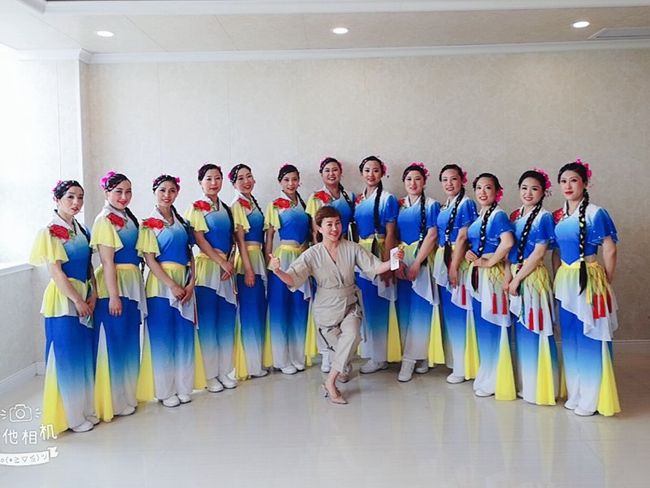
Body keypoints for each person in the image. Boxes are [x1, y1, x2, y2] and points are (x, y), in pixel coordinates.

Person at [269, 207, 404, 404]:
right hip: (326, 309)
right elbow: (293, 278)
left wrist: (393, 261)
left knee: (352, 335)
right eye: (329, 224)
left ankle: (330, 382)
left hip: (350, 303)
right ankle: (342, 367)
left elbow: (375, 267)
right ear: (319, 228)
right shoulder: (311, 254)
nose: (334, 229)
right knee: (340, 348)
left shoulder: (352, 248)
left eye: (337, 223)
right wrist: (278, 271)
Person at [29, 180, 97, 434]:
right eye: (70, 197)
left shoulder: (83, 229)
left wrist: (93, 293)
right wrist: (77, 300)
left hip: (84, 293)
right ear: (57, 199)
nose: (76, 202)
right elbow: (56, 272)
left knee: (83, 354)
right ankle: (70, 417)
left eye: (80, 197)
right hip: (63, 299)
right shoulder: (49, 232)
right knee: (66, 356)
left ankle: (83, 409)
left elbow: (89, 266)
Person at [553, 160, 620, 417]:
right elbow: (556, 252)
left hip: (588, 277)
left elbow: (610, 248)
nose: (568, 186)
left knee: (589, 336)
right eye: (563, 181)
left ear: (585, 183)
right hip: (565, 280)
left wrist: (606, 278)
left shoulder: (596, 212)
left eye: (573, 180)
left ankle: (592, 398)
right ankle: (576, 392)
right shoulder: (558, 215)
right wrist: (557, 277)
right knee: (570, 337)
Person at [136, 175, 197, 408]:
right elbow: (150, 259)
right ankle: (164, 390)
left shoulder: (182, 223)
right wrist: (172, 284)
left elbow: (190, 255)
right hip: (160, 286)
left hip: (184, 281)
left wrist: (191, 283)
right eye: (162, 190)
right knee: (162, 338)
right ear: (154, 192)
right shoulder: (148, 224)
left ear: (177, 193)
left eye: (172, 191)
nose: (167, 195)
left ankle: (183, 386)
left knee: (184, 335)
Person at [91, 172, 146, 421]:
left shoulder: (127, 218)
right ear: (107, 193)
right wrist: (113, 296)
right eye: (118, 192)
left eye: (128, 191)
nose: (124, 196)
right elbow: (106, 260)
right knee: (113, 344)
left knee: (128, 341)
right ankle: (113, 401)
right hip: (115, 286)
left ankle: (128, 394)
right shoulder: (104, 220)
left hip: (131, 284)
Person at [503, 169, 560, 405]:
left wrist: (517, 279)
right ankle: (525, 384)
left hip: (532, 277)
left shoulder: (544, 218)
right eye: (524, 188)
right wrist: (508, 275)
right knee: (521, 331)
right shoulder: (515, 215)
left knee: (536, 327)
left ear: (543, 192)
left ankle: (541, 388)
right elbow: (508, 249)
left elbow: (538, 254)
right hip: (515, 275)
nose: (528, 193)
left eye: (534, 189)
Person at [185, 163, 238, 393]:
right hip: (208, 269)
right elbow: (200, 240)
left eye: (217, 178)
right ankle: (209, 375)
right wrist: (221, 262)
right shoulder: (196, 208)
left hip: (227, 269)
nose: (214, 183)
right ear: (200, 182)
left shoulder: (226, 208)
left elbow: (234, 239)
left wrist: (230, 262)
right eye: (208, 178)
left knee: (226, 321)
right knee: (207, 323)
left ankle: (224, 370)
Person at [465, 173, 515, 399]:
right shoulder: (480, 215)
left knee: (493, 325)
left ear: (497, 191)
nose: (482, 192)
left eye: (488, 187)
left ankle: (497, 378)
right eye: (479, 188)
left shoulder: (499, 215)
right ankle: (486, 373)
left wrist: (490, 261)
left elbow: (508, 243)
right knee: (483, 326)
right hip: (478, 275)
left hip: (492, 276)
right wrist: (472, 256)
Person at [306, 157, 357, 373]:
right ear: (322, 174)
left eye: (335, 170)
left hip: (345, 252)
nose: (331, 174)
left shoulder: (349, 197)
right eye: (327, 170)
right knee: (326, 305)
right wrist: (322, 254)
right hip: (324, 253)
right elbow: (314, 230)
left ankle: (343, 354)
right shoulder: (316, 197)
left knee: (346, 305)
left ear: (340, 172)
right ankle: (327, 352)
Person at [432, 164, 479, 384]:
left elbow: (462, 237)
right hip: (444, 256)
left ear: (462, 181)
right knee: (450, 313)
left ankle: (464, 366)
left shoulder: (466, 203)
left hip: (456, 259)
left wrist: (454, 266)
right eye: (444, 179)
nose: (449, 183)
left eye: (453, 179)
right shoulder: (445, 205)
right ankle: (455, 360)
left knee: (460, 311)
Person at [395, 163, 440, 382]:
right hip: (401, 258)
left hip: (421, 259)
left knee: (421, 310)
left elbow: (432, 235)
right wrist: (397, 263)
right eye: (409, 179)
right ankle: (415, 353)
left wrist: (417, 263)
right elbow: (392, 234)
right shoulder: (399, 205)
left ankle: (411, 359)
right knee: (404, 310)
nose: (413, 183)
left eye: (417, 179)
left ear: (424, 182)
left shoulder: (431, 205)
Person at [264, 164, 311, 374]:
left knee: (300, 307)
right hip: (283, 259)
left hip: (303, 258)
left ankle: (298, 355)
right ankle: (281, 359)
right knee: (281, 308)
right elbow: (269, 236)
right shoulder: (275, 205)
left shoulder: (305, 204)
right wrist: (269, 262)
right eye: (286, 180)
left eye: (294, 179)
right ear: (280, 182)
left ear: (299, 181)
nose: (291, 184)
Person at [355, 156, 399, 375]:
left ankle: (380, 356)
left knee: (380, 304)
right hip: (361, 254)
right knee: (367, 305)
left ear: (382, 173)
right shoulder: (358, 199)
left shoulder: (388, 199)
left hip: (379, 250)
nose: (371, 174)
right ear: (361, 173)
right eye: (367, 170)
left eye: (375, 170)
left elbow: (391, 233)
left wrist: (388, 264)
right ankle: (372, 352)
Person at [229, 164, 268, 379]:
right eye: (241, 178)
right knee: (250, 313)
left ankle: (258, 361)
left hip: (257, 258)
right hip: (247, 261)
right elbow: (240, 240)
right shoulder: (237, 206)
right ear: (233, 183)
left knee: (258, 310)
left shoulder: (252, 202)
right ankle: (250, 366)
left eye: (249, 176)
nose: (246, 181)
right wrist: (249, 269)